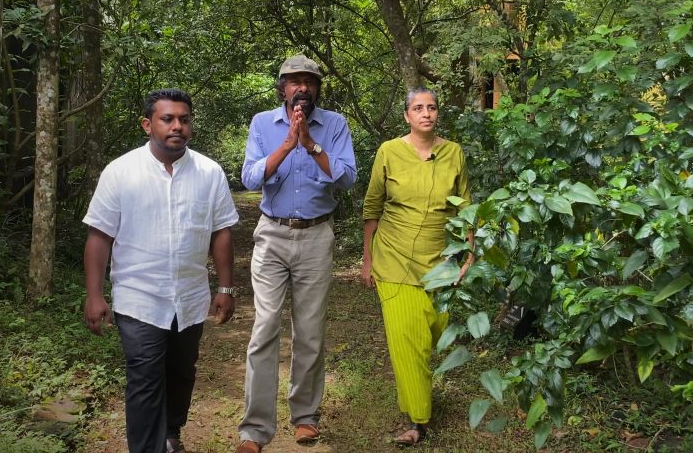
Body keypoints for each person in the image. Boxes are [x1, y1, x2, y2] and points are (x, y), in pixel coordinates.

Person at [83, 89, 239, 453]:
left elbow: (222, 233)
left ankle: (170, 433)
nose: (177, 126)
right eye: (167, 119)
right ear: (147, 124)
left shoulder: (209, 173)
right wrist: (94, 295)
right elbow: (99, 236)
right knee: (145, 376)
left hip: (190, 295)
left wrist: (226, 289)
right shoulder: (120, 172)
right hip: (139, 297)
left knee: (181, 372)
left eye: (184, 119)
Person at [236, 55, 357, 453]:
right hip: (272, 234)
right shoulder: (261, 123)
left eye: (309, 80)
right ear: (282, 88)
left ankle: (305, 416)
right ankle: (255, 429)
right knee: (264, 327)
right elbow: (250, 178)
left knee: (309, 332)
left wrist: (311, 144)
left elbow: (347, 179)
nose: (301, 87)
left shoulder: (335, 125)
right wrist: (288, 144)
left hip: (316, 236)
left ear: (317, 87)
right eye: (293, 81)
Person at [361, 87, 474, 446]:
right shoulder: (389, 152)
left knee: (433, 333)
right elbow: (372, 208)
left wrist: (468, 254)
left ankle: (418, 393)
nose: (426, 113)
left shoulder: (453, 152)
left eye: (432, 107)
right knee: (408, 341)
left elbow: (466, 208)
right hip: (393, 259)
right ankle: (417, 420)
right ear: (407, 115)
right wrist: (368, 259)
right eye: (418, 108)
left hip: (440, 261)